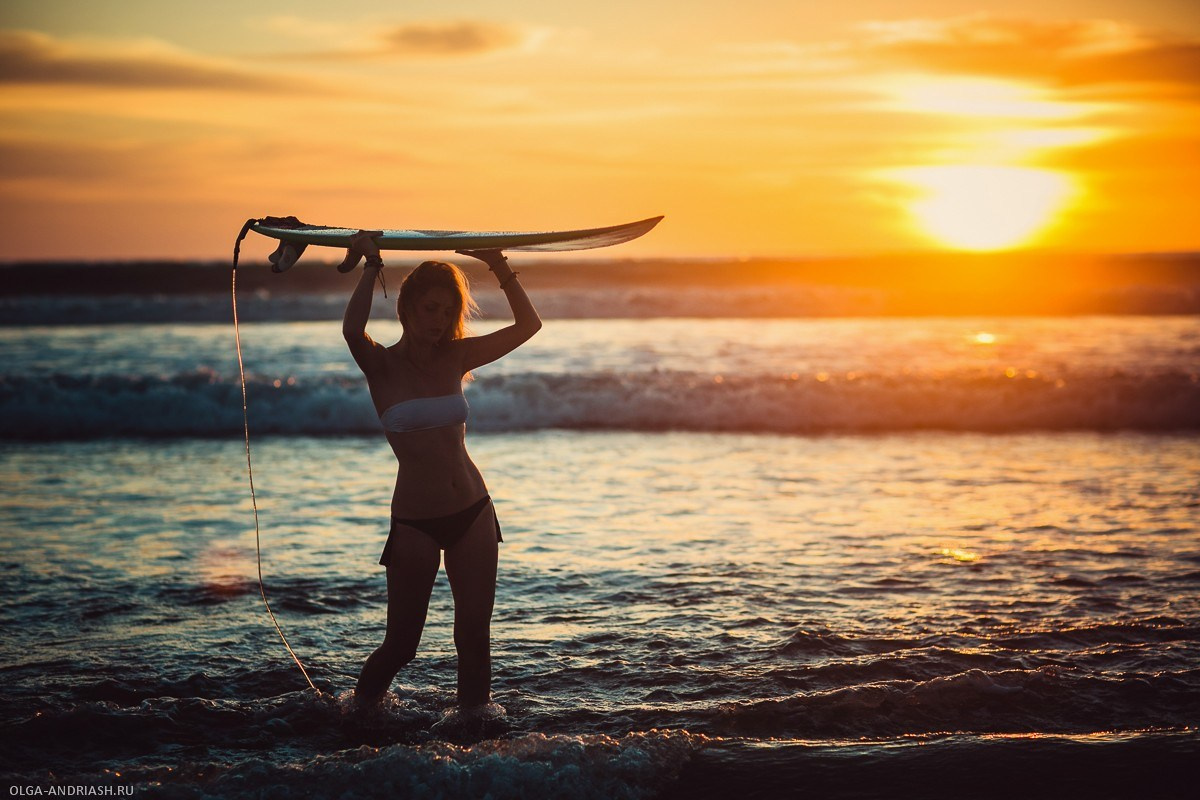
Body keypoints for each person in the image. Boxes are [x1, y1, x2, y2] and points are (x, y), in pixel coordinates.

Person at [342, 230, 541, 711]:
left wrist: (499, 266)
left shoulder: (456, 356)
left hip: (473, 508)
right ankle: (358, 711)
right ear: (406, 307)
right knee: (402, 646)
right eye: (430, 308)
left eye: (448, 311)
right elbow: (351, 329)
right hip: (415, 521)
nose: (439, 320)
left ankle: (475, 728)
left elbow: (528, 326)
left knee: (473, 636)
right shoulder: (381, 366)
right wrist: (372, 264)